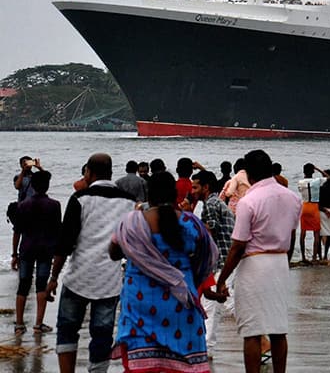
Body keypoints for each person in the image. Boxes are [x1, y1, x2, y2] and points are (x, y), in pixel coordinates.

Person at [109, 172, 218, 372]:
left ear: (149, 195)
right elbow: (209, 257)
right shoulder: (191, 222)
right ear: (175, 194)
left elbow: (114, 253)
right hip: (180, 305)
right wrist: (186, 277)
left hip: (140, 305)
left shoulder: (132, 222)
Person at [46, 153, 136, 373]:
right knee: (102, 335)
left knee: (67, 330)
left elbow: (65, 244)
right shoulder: (129, 202)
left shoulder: (80, 199)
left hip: (78, 277)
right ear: (110, 172)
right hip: (109, 281)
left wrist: (53, 278)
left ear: (89, 172)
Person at [215, 149, 302, 373]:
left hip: (254, 264)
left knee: (252, 330)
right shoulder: (293, 198)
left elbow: (238, 245)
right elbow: (291, 237)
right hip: (281, 262)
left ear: (249, 174)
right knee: (278, 328)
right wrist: (286, 262)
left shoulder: (248, 201)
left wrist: (222, 278)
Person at [190, 170, 234, 357]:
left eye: (195, 187)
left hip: (221, 259)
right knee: (224, 301)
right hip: (227, 258)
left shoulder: (210, 204)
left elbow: (209, 232)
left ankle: (207, 347)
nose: (192, 191)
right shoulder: (217, 202)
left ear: (206, 187)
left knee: (215, 303)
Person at [11, 170, 61, 335]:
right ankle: (38, 325)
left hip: (26, 247)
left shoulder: (22, 205)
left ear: (31, 185)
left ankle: (19, 324)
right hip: (45, 249)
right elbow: (57, 231)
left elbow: (17, 231)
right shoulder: (54, 205)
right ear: (47, 186)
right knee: (41, 285)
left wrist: (14, 254)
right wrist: (57, 253)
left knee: (23, 286)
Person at [297, 164, 324, 263]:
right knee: (316, 233)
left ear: (304, 172)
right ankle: (314, 257)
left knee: (303, 232)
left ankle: (303, 257)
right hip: (314, 206)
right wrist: (318, 169)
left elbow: (300, 190)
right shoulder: (317, 181)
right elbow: (328, 178)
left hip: (304, 206)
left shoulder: (300, 182)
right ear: (313, 171)